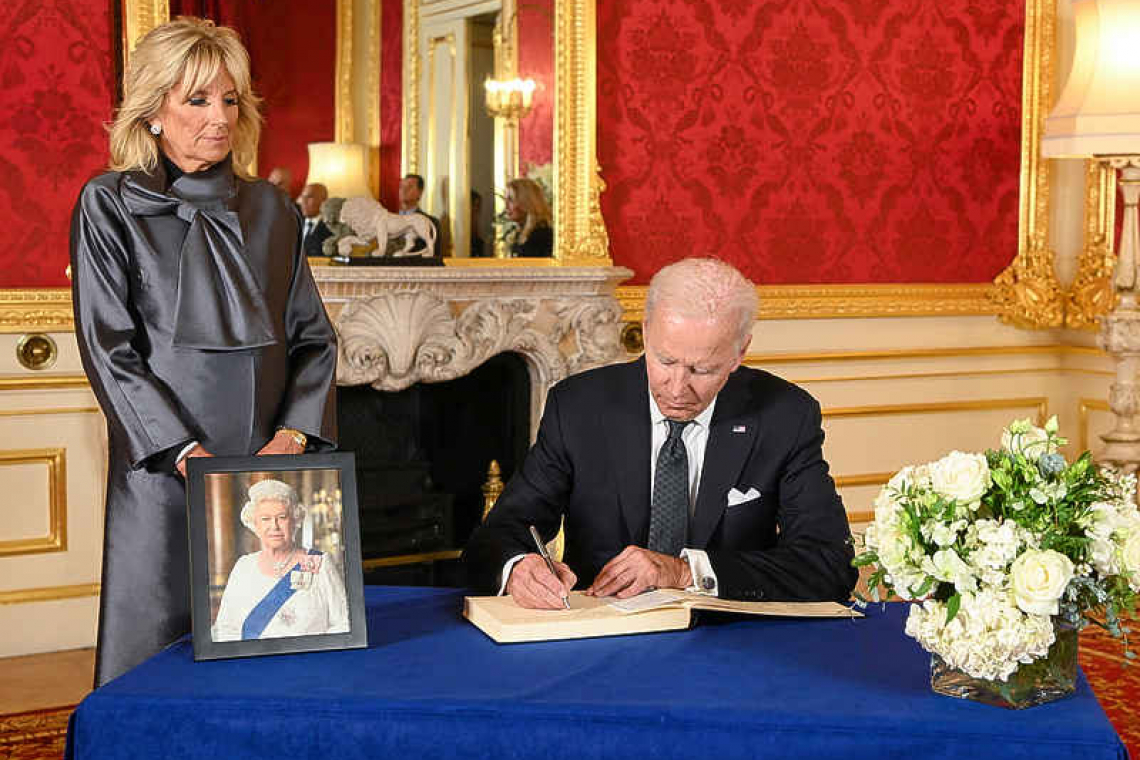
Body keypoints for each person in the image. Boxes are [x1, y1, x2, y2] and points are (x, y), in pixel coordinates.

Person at [70, 17, 338, 686]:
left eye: (229, 100)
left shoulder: (275, 209)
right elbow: (110, 346)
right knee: (154, 651)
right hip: (163, 468)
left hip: (265, 468)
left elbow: (313, 338)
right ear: (153, 110)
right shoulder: (108, 204)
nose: (218, 117)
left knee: (269, 644)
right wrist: (182, 452)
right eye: (196, 100)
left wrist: (294, 436)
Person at [464, 258, 856, 608]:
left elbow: (830, 563)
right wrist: (519, 568)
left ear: (740, 353)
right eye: (664, 360)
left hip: (732, 642)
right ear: (647, 333)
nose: (676, 387)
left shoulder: (784, 415)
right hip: (602, 632)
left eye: (702, 370)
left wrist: (686, 571)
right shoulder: (579, 407)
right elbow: (501, 532)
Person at [212, 480, 349, 641]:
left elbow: (343, 624)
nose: (274, 526)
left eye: (282, 517)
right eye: (265, 519)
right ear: (255, 524)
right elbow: (226, 627)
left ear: (295, 521)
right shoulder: (243, 567)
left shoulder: (319, 563)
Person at [504, 177, 553, 258]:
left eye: (511, 200)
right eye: (505, 199)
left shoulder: (542, 236)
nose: (506, 206)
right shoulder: (521, 233)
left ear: (526, 202)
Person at [397, 173, 440, 257]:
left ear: (420, 192)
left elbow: (434, 256)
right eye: (401, 187)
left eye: (409, 187)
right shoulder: (388, 219)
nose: (404, 190)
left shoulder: (431, 222)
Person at [298, 182, 333, 257]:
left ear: (324, 201)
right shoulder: (294, 224)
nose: (303, 201)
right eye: (302, 197)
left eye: (309, 197)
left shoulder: (331, 228)